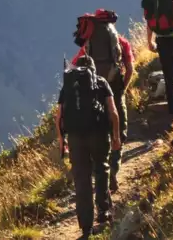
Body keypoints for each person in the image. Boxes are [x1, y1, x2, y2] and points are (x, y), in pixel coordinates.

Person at [56, 55, 122, 239]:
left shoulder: (69, 86)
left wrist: (62, 140)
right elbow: (113, 111)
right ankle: (103, 211)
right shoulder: (100, 82)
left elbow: (59, 115)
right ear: (93, 68)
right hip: (98, 134)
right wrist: (115, 135)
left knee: (81, 179)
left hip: (75, 137)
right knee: (101, 168)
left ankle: (86, 226)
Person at [71, 9, 135, 193]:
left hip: (94, 91)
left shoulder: (88, 43)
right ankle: (113, 170)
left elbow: (76, 66)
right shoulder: (121, 42)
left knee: (99, 130)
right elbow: (130, 68)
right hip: (114, 87)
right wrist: (123, 86)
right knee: (119, 128)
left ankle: (101, 172)